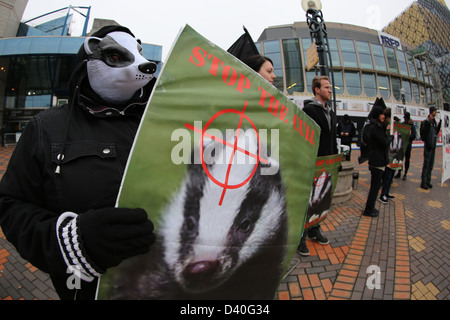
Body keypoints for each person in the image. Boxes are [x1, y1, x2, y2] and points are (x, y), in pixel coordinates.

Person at [0, 26, 157, 300]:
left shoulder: (163, 121)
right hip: (91, 290)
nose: (140, 63)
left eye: (138, 53)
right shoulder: (45, 129)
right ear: (89, 61)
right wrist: (71, 243)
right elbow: (12, 205)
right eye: (118, 57)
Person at [297, 75, 337, 256]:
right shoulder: (309, 110)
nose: (330, 90)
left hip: (327, 164)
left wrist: (336, 162)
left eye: (330, 87)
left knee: (320, 199)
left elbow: (332, 139)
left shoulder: (331, 112)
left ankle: (315, 229)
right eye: (326, 87)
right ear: (317, 90)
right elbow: (303, 138)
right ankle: (300, 237)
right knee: (307, 201)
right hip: (312, 163)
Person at [362, 105, 392, 217]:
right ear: (377, 115)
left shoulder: (379, 127)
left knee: (375, 186)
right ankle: (369, 209)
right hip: (377, 161)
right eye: (382, 114)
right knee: (375, 187)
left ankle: (371, 207)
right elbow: (383, 142)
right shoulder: (375, 128)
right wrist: (390, 138)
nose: (384, 116)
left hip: (378, 160)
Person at [420, 106, 442, 189]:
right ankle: (424, 182)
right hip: (428, 146)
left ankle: (428, 181)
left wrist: (439, 125)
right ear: (431, 112)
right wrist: (428, 143)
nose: (436, 113)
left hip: (433, 146)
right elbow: (425, 135)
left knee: (431, 165)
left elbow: (435, 132)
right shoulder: (427, 122)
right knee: (426, 164)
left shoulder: (434, 122)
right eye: (435, 111)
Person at [379, 108, 395, 204]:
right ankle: (383, 194)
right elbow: (384, 141)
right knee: (387, 175)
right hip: (386, 155)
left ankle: (387, 192)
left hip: (392, 154)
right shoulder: (382, 127)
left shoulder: (391, 126)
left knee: (390, 175)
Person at [395, 112, 416, 180]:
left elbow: (414, 136)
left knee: (407, 160)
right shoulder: (403, 124)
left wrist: (408, 135)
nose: (405, 120)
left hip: (408, 146)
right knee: (400, 159)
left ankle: (405, 173)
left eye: (406, 118)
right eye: (405, 118)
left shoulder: (412, 126)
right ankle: (399, 172)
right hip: (402, 145)